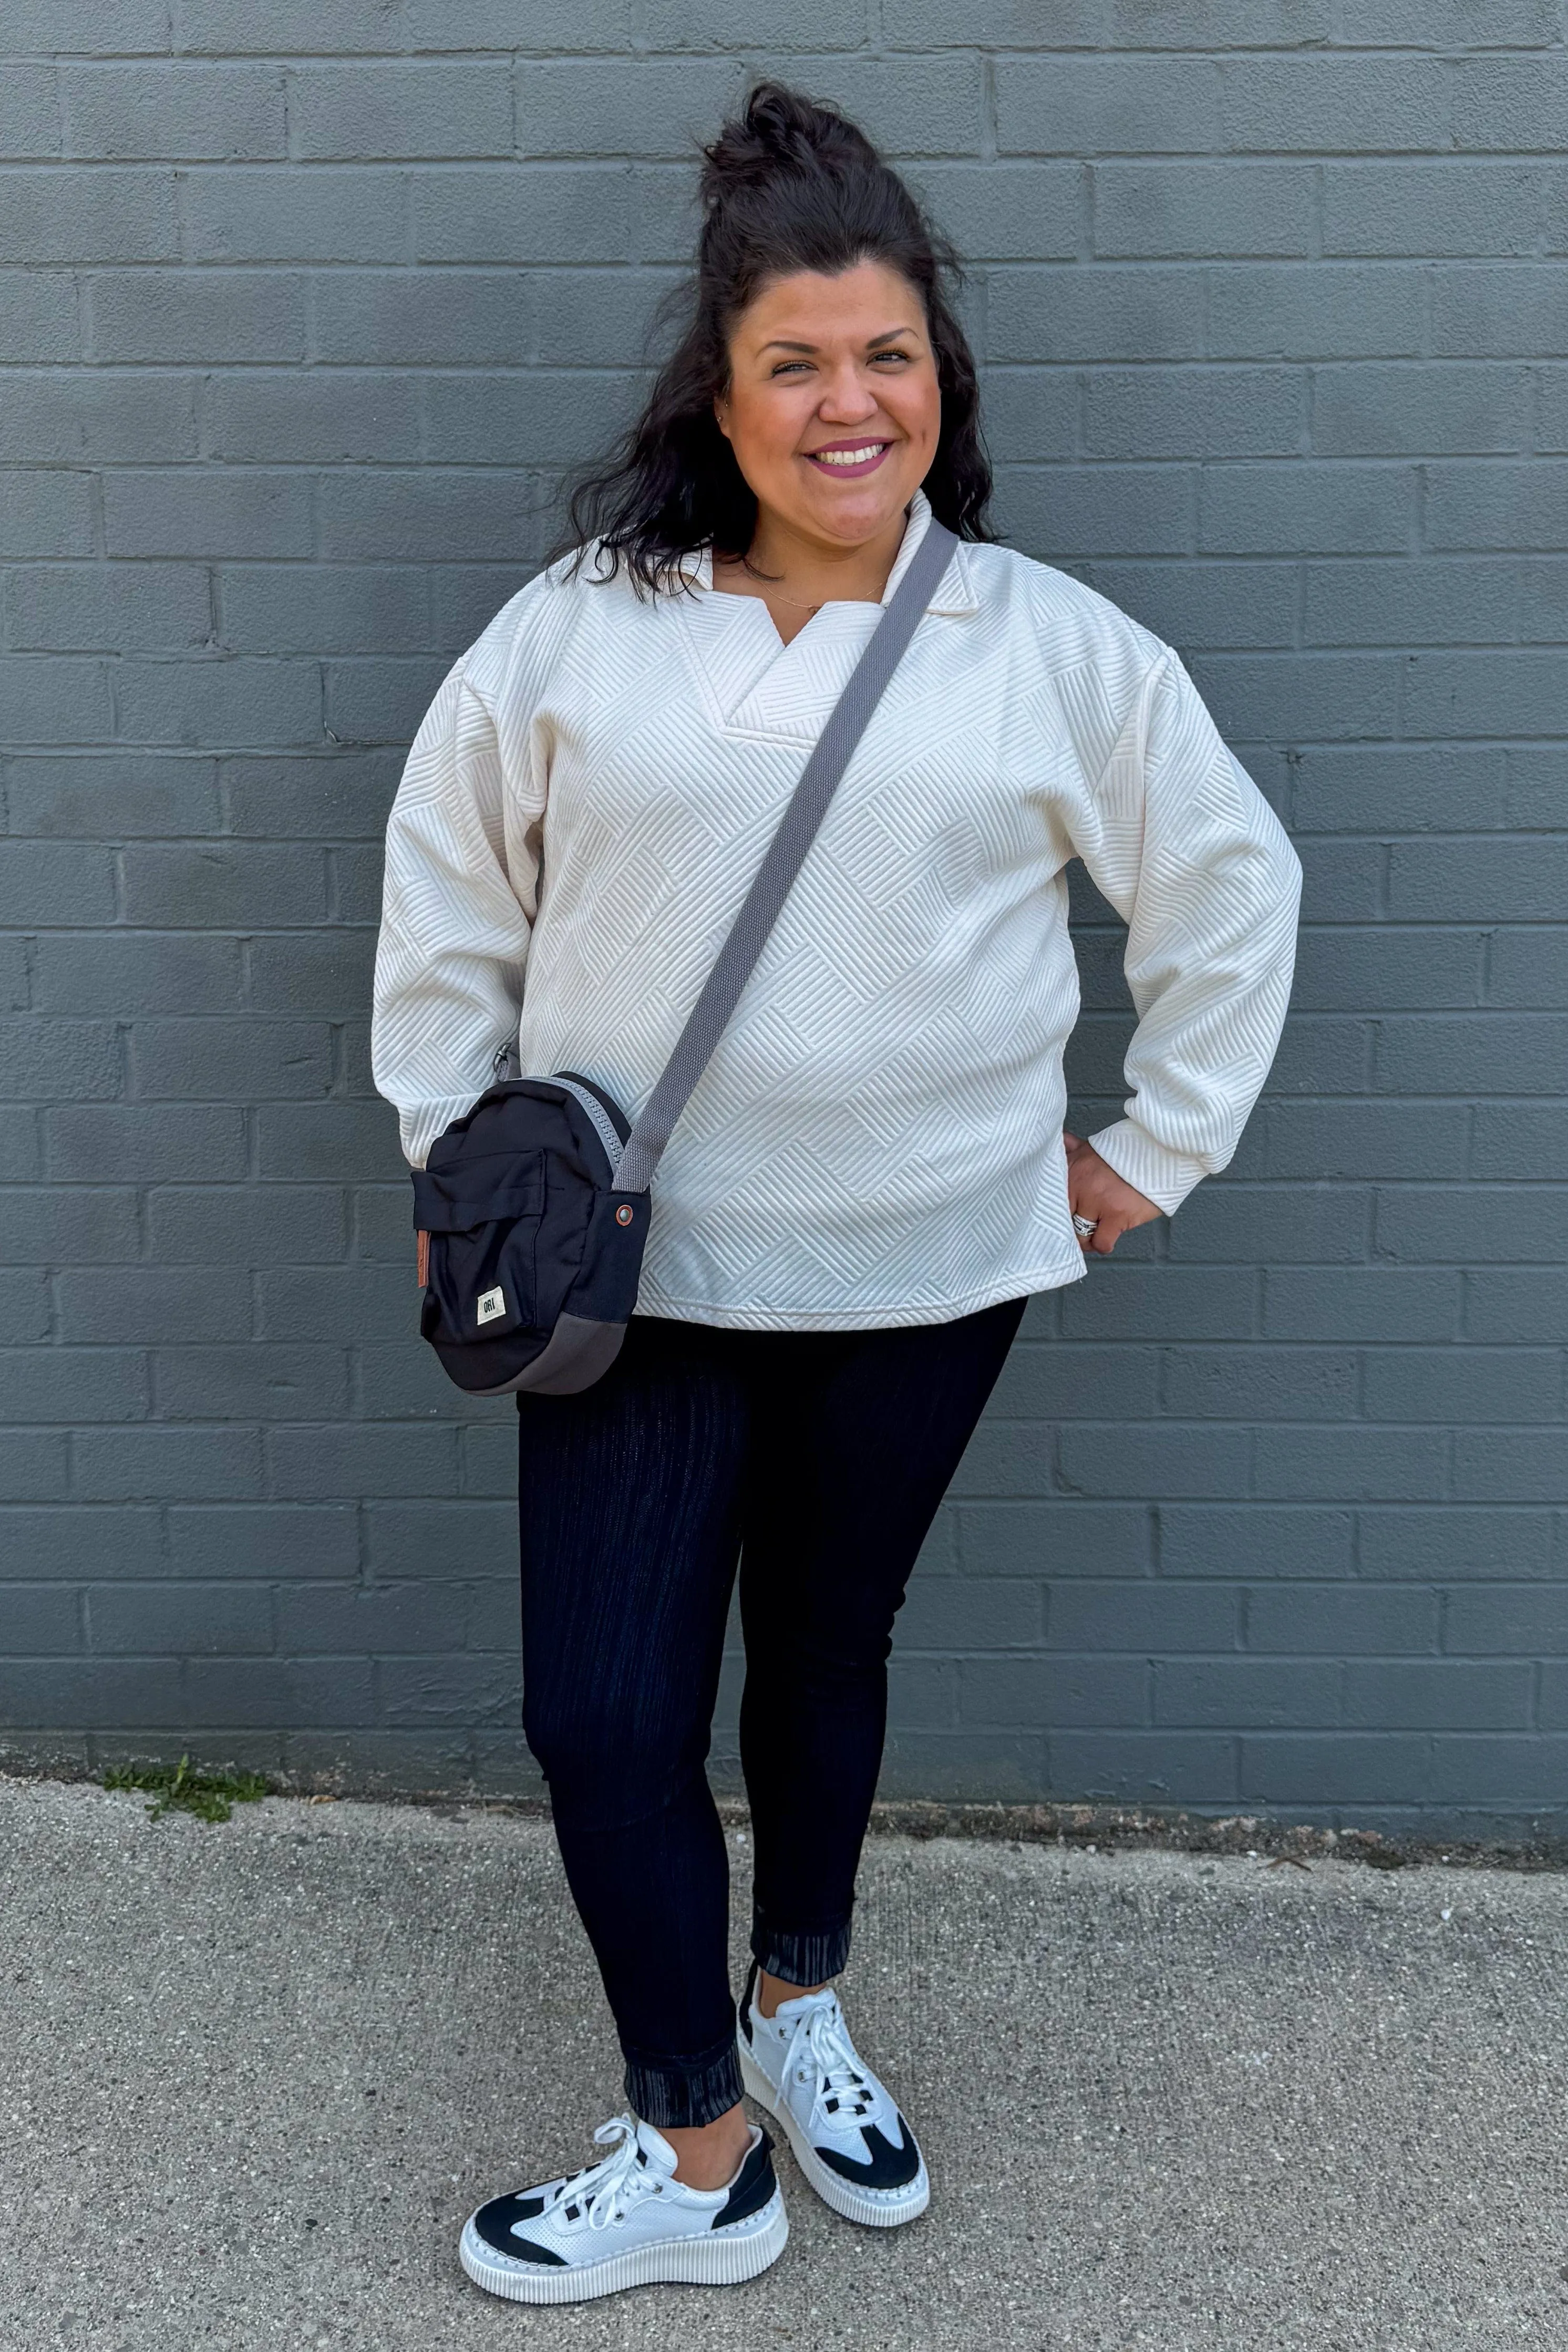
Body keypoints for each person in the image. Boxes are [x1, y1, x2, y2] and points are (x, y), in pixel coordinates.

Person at [371, 82, 1302, 2308]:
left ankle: (794, 2009)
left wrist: (1144, 1153)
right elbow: (442, 894)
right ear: (721, 391)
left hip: (927, 1271)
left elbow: (1226, 887)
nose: (843, 400)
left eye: (882, 355)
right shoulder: (579, 629)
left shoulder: (1045, 645)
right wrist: (447, 1149)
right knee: (602, 1712)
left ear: (935, 387)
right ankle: (692, 2145)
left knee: (825, 1651)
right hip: (633, 1274)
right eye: (793, 360)